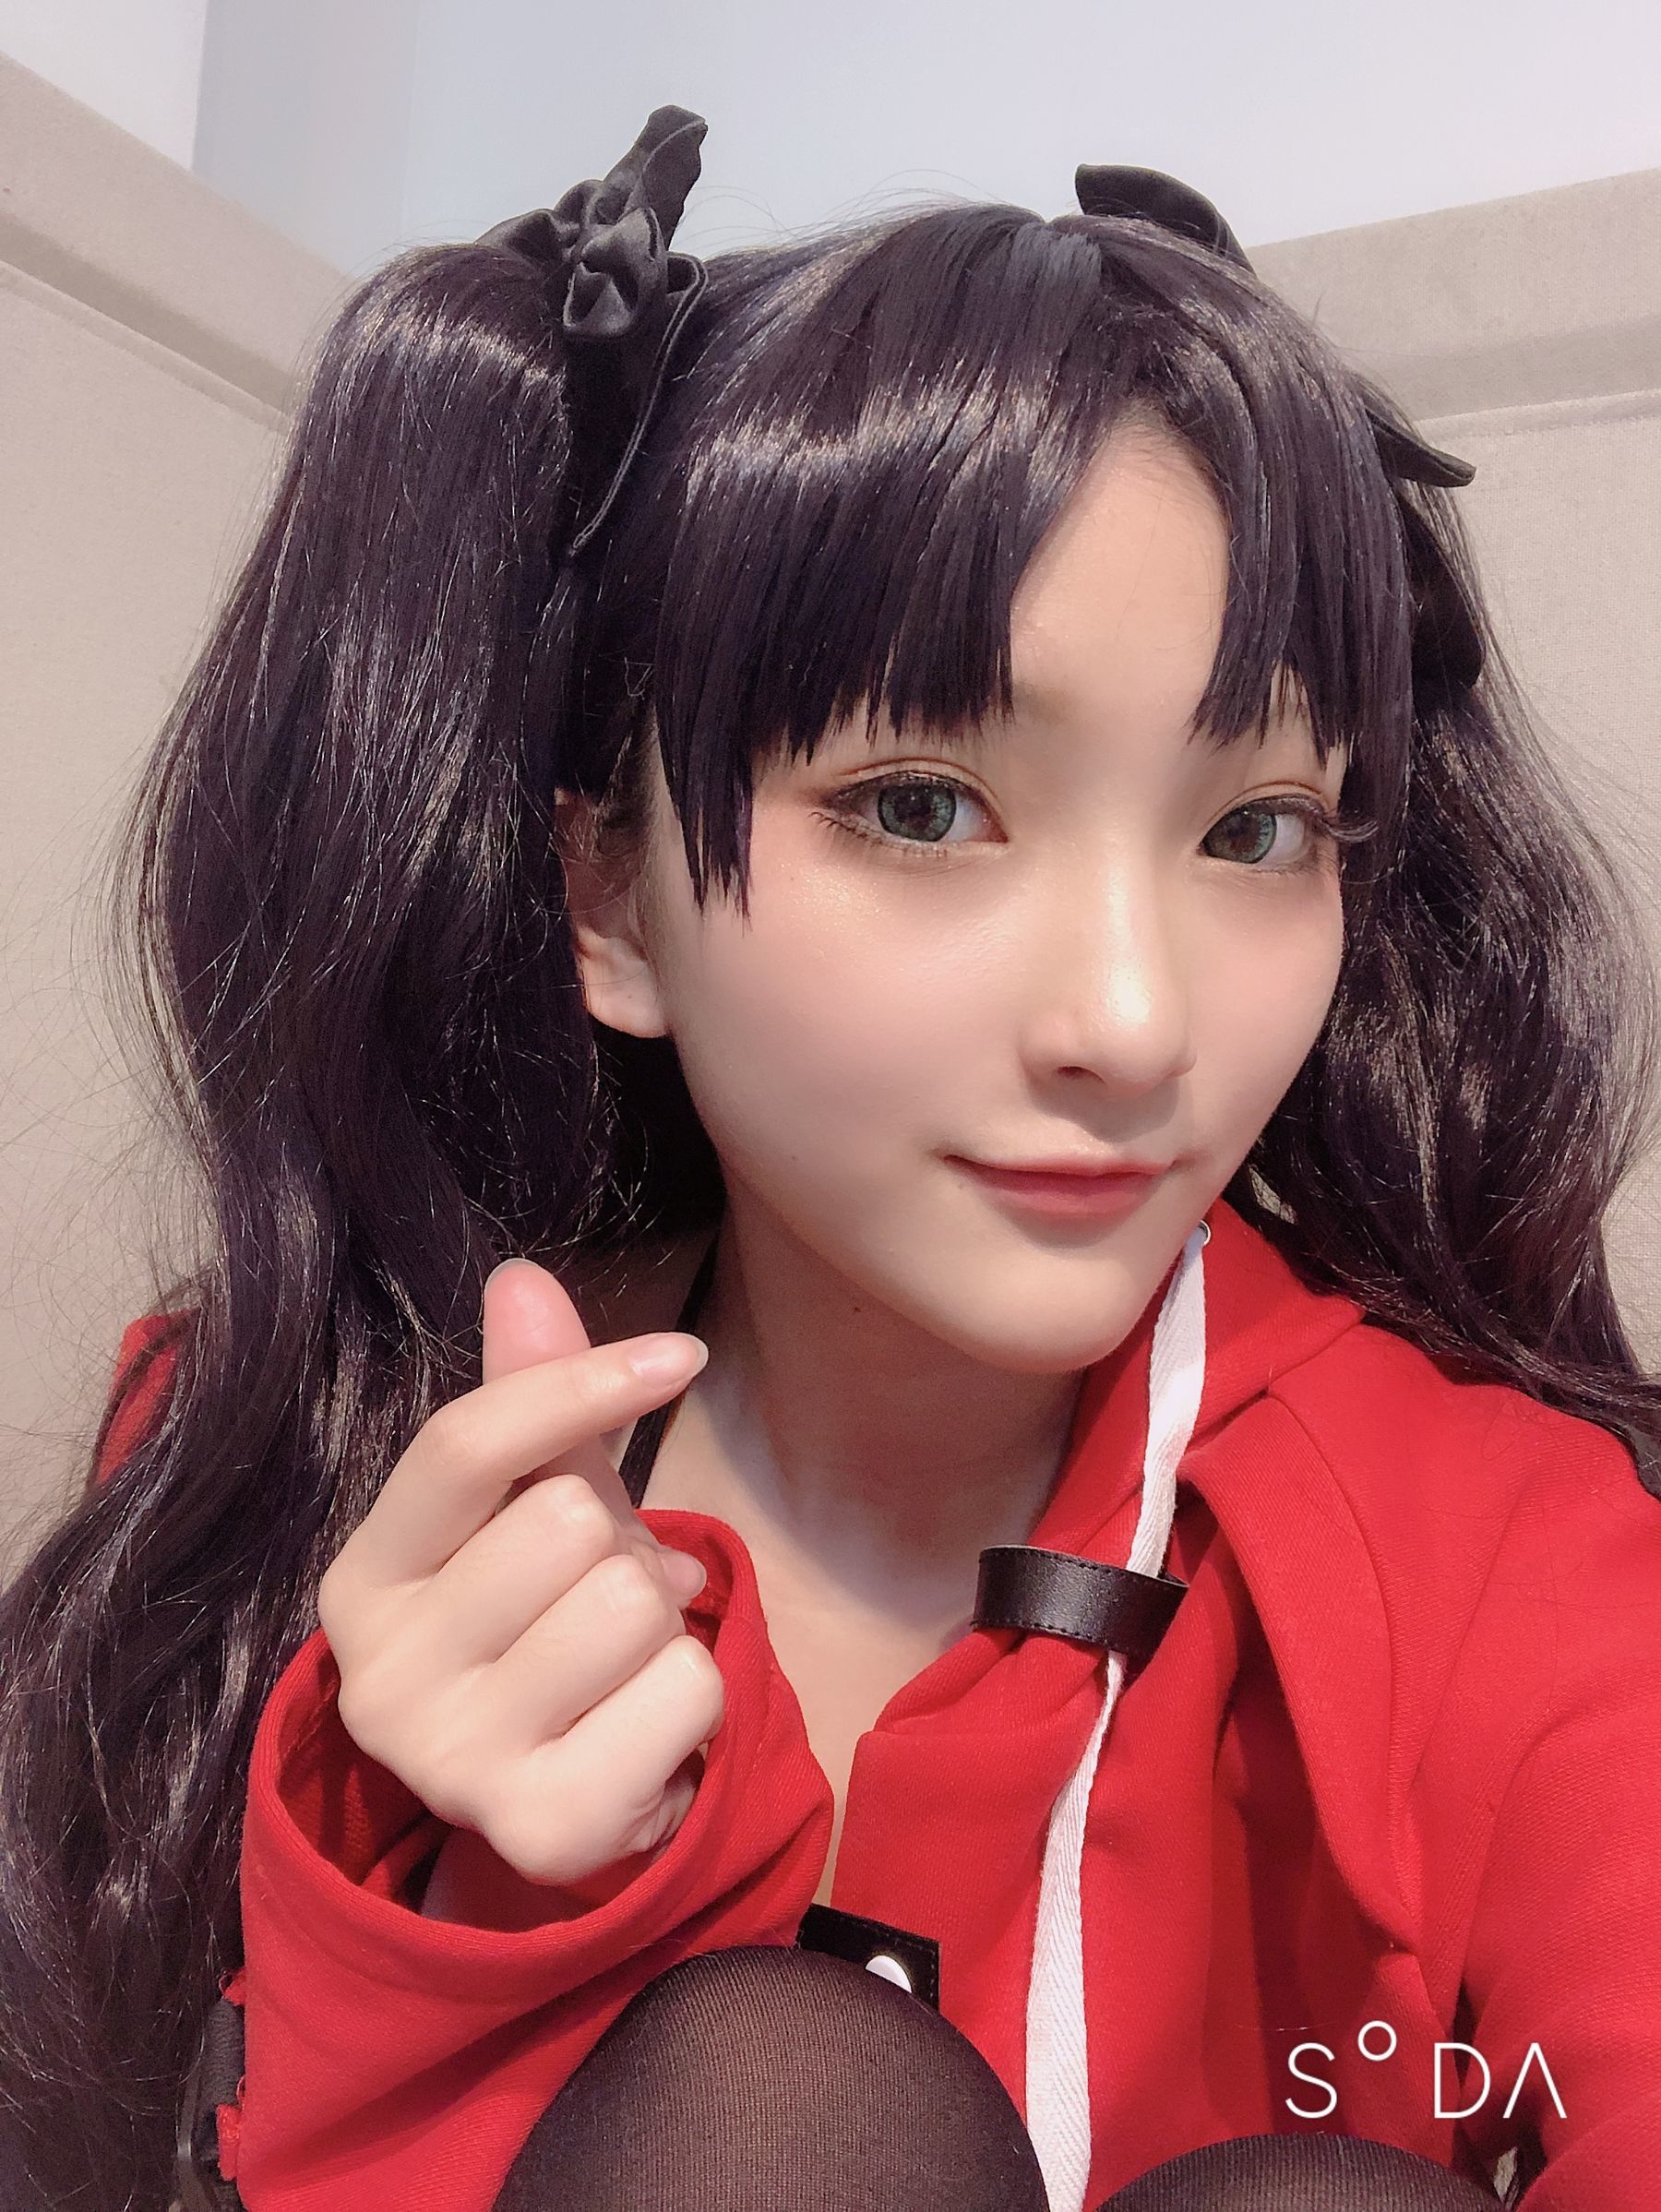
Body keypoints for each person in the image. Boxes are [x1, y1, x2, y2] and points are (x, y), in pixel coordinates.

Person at [1, 102, 1657, 2212]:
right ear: (612, 896)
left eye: (1259, 830)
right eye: (923, 805)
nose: (1135, 1020)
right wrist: (471, 1921)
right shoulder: (310, 1451)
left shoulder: (1509, 1549)